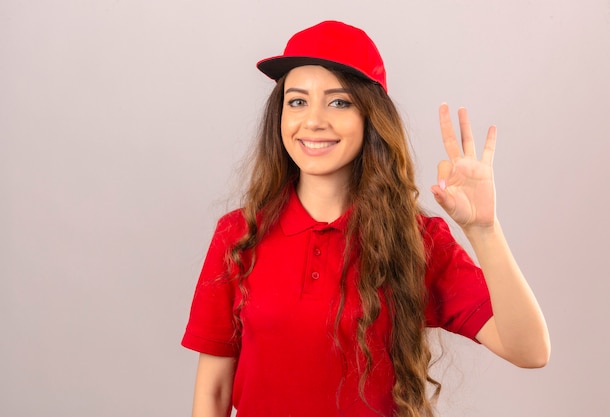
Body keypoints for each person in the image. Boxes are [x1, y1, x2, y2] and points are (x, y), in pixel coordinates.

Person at [182, 20, 550, 417]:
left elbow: (529, 350)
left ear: (370, 118)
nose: (314, 121)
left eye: (339, 102)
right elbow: (213, 394)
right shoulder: (239, 234)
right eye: (297, 101)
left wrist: (484, 231)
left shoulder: (416, 240)